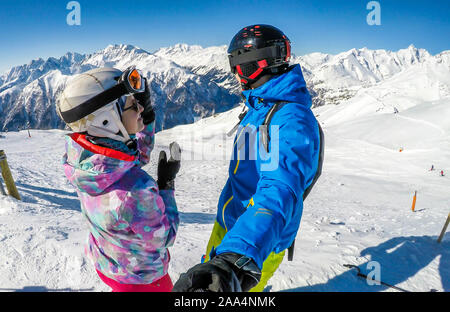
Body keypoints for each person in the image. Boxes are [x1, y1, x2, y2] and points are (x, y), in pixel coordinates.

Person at [173, 24, 323, 292]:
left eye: (240, 68)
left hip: (255, 242)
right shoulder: (261, 106)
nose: (236, 76)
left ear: (257, 65)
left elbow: (280, 190)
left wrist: (236, 256)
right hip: (231, 222)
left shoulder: (290, 121)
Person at [57, 67, 181, 292]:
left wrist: (147, 118)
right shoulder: (135, 191)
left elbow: (127, 157)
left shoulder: (84, 162)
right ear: (106, 121)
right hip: (143, 281)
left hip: (108, 266)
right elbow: (164, 237)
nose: (141, 107)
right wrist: (166, 187)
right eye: (134, 106)